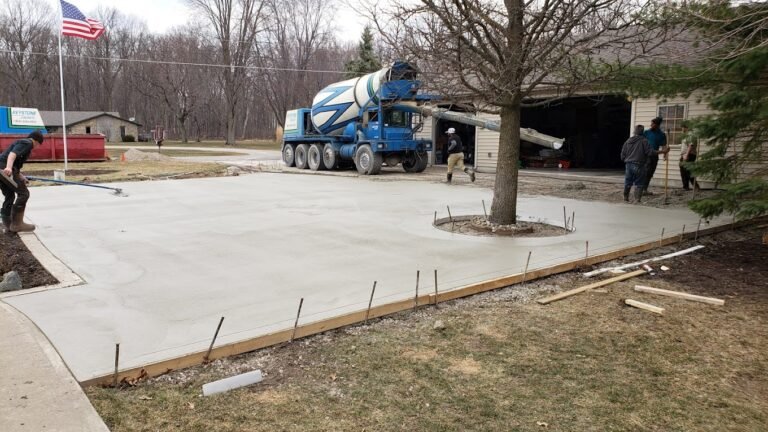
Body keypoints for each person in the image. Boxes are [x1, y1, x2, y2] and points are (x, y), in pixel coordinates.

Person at [0, 130, 45, 233]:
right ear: (36, 141)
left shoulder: (22, 142)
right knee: (24, 194)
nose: (37, 147)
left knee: (9, 195)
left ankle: (8, 224)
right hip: (5, 168)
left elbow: (15, 163)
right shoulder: (28, 143)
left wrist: (21, 176)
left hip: (1, 169)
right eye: (38, 145)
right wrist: (8, 167)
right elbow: (12, 154)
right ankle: (17, 224)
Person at [621, 125, 669, 203]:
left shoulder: (628, 141)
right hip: (639, 164)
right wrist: (663, 151)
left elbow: (622, 155)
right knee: (639, 182)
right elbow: (650, 152)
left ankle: (625, 198)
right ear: (642, 132)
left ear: (634, 131)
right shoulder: (644, 141)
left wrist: (626, 160)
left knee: (628, 181)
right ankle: (637, 199)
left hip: (628, 164)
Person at [641, 117, 667, 195]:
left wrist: (665, 154)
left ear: (657, 125)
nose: (651, 125)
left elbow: (664, 145)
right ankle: (640, 189)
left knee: (650, 173)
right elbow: (640, 143)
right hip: (645, 155)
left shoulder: (661, 134)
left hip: (655, 156)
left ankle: (644, 189)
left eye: (652, 124)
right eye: (651, 123)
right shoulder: (646, 132)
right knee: (645, 172)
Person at [679, 124, 699, 191]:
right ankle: (685, 187)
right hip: (684, 155)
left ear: (686, 127)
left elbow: (691, 145)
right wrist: (682, 155)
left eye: (682, 127)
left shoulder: (691, 135)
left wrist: (686, 155)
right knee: (683, 171)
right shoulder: (686, 135)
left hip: (689, 155)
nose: (682, 129)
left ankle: (696, 186)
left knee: (688, 171)